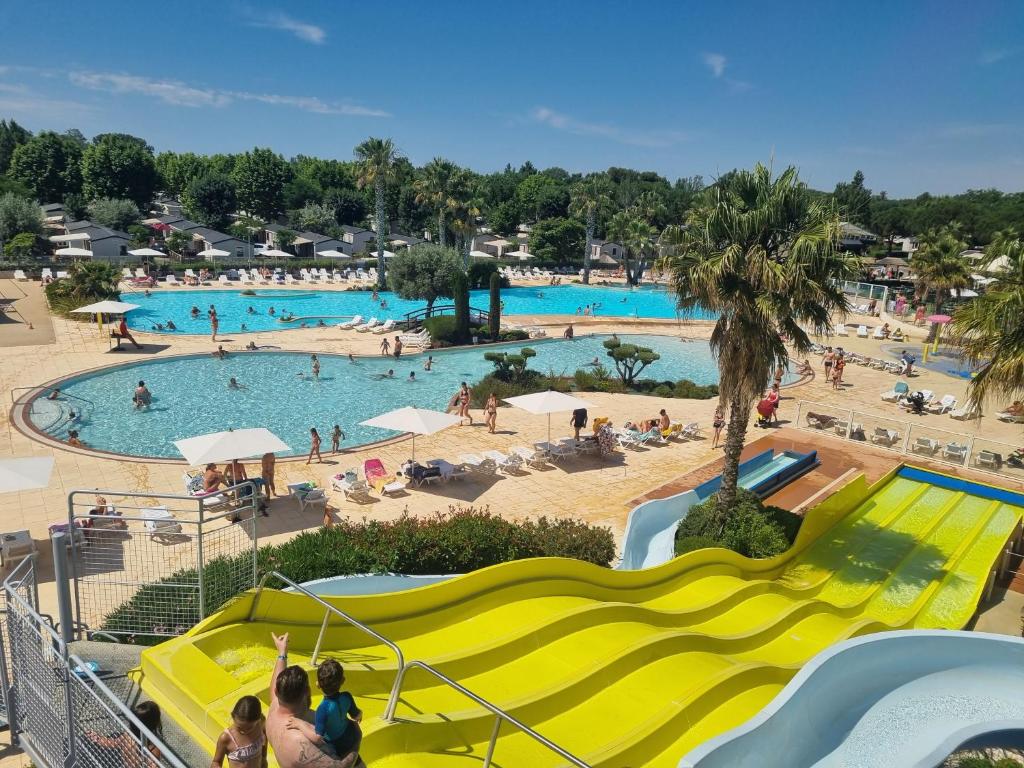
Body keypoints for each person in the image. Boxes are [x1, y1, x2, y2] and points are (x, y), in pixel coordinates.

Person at [266, 633, 362, 768]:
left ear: (277, 692)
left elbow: (277, 680)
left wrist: (282, 653)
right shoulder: (300, 741)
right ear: (307, 693)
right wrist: (356, 741)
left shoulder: (275, 707)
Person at [286, 659, 363, 760]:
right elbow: (356, 715)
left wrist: (300, 724)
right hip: (351, 735)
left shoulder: (323, 709)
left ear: (317, 685)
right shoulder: (347, 696)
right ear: (343, 680)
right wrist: (360, 714)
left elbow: (317, 738)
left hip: (337, 745)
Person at [86, 700, 164, 768]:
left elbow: (112, 743)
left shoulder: (127, 736)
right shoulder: (153, 748)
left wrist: (98, 739)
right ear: (154, 723)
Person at [212, 695, 267, 768]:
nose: (244, 731)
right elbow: (216, 762)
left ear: (257, 720)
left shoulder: (261, 723)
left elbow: (265, 736)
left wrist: (264, 756)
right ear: (233, 717)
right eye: (239, 727)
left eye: (249, 728)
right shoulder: (226, 738)